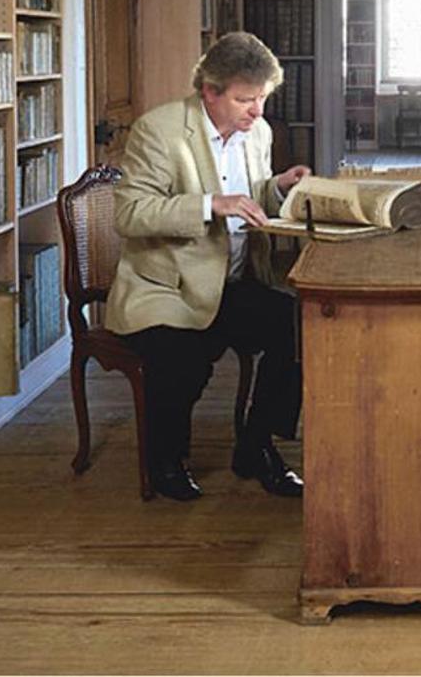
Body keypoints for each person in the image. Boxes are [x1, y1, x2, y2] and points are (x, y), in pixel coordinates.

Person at [104, 32, 311, 501]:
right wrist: (208, 204)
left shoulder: (258, 131)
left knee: (298, 327)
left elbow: (250, 195)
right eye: (245, 99)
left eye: (262, 98)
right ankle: (166, 460)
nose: (256, 110)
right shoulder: (160, 130)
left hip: (230, 283)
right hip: (167, 287)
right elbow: (130, 214)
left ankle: (256, 446)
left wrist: (277, 187)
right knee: (183, 359)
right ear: (210, 91)